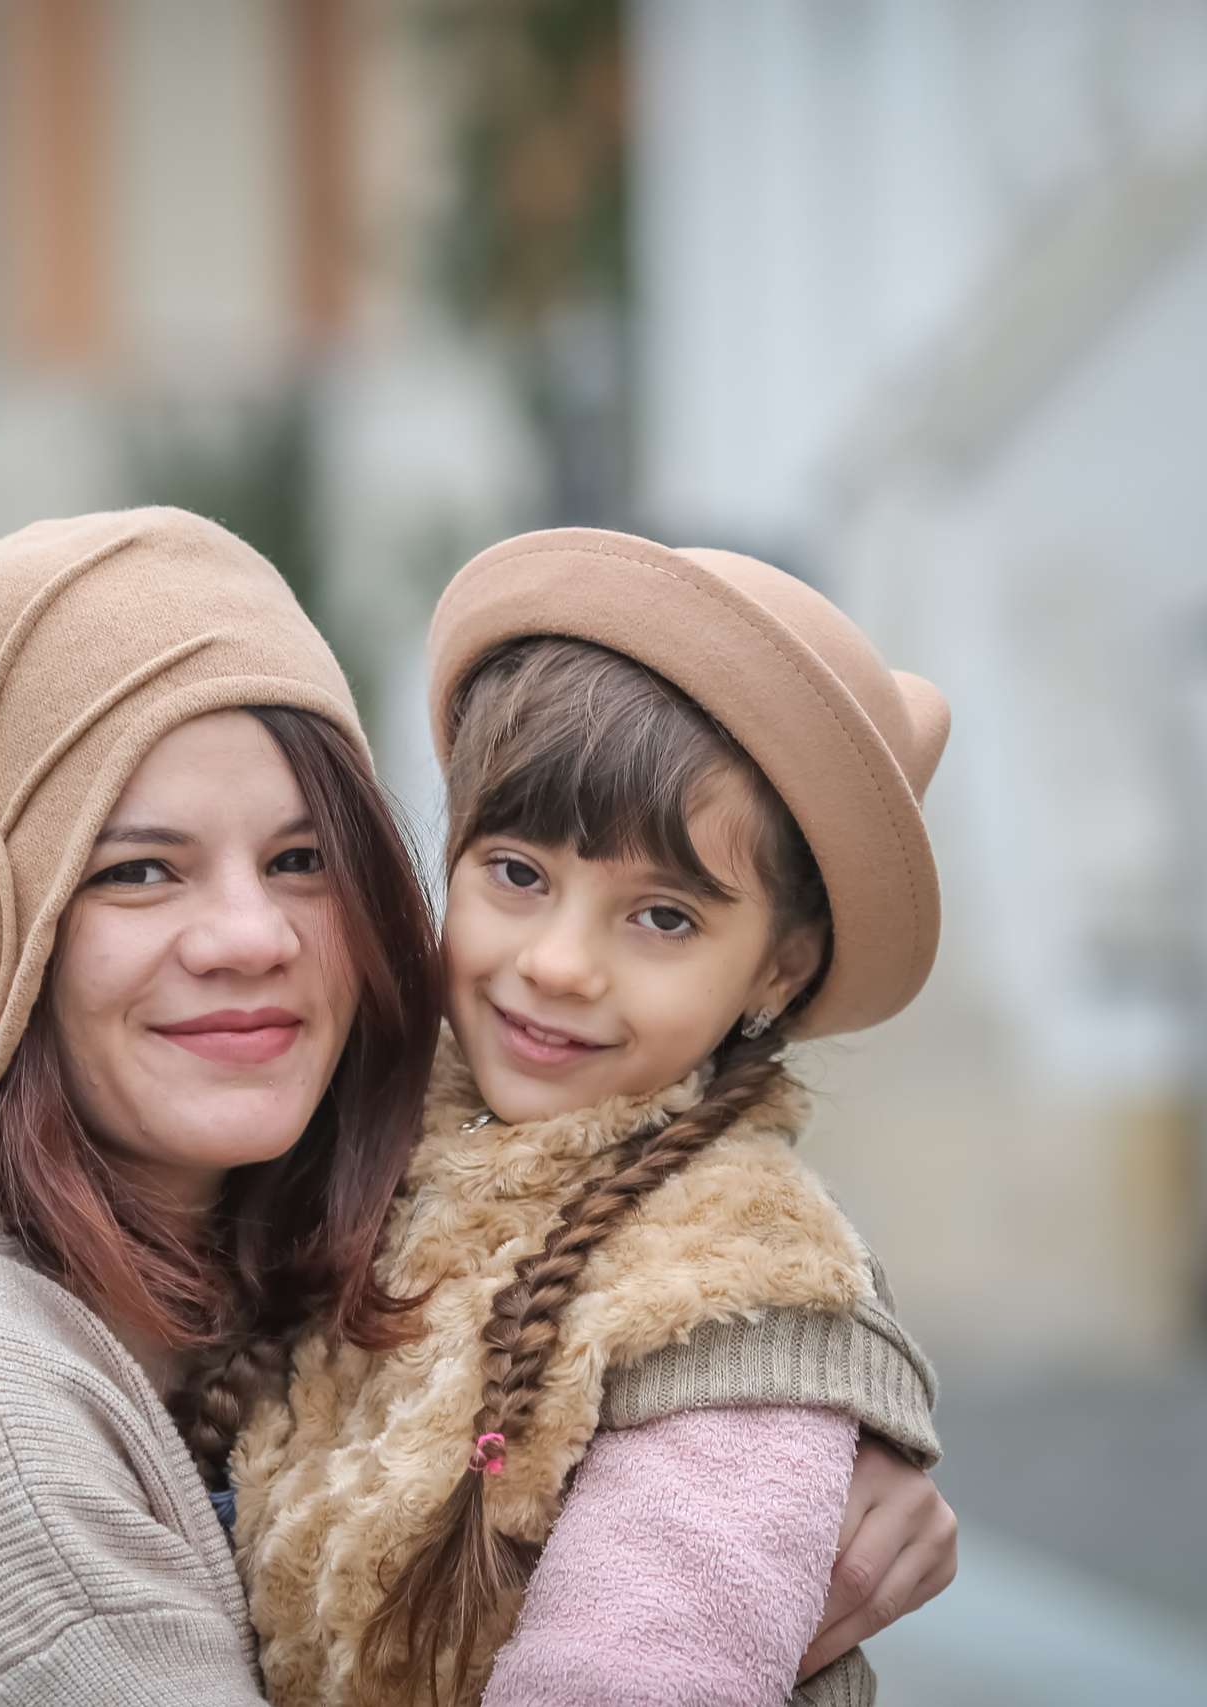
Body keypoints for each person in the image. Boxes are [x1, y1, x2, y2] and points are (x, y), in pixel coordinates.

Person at [0, 508, 951, 1707]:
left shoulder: (308, 1174)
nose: (249, 934)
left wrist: (807, 1381)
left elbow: (685, 1225)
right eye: (138, 870)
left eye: (301, 856)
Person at [231, 528, 957, 1707]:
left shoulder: (730, 1307)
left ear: (779, 968)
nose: (560, 965)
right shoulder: (370, 1126)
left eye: (662, 917)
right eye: (516, 874)